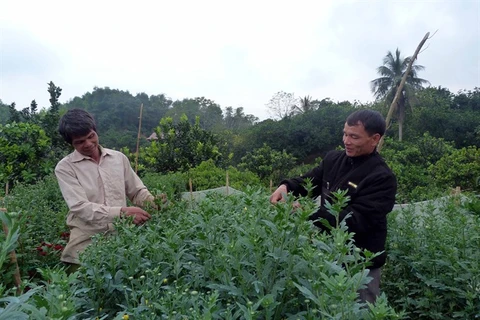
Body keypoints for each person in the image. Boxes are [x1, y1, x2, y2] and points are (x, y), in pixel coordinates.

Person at [269, 109, 397, 303]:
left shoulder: (381, 177)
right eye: (345, 134)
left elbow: (355, 220)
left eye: (354, 137)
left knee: (360, 312)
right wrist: (286, 186)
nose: (346, 141)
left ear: (375, 139)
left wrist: (307, 211)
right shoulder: (333, 159)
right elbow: (308, 182)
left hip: (360, 264)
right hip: (327, 255)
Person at [55, 108, 165, 269]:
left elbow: (136, 191)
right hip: (86, 246)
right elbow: (79, 207)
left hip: (122, 241)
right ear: (71, 143)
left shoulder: (118, 158)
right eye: (80, 142)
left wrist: (152, 202)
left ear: (95, 131)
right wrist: (122, 212)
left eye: (91, 136)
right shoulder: (65, 168)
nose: (88, 144)